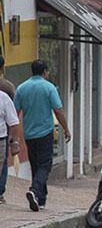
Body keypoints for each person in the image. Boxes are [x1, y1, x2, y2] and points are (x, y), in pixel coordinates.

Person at [14, 60, 71, 212]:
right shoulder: (49, 87)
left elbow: (16, 112)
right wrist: (66, 128)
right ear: (45, 71)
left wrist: (14, 135)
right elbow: (58, 110)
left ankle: (40, 198)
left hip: (29, 133)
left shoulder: (21, 88)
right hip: (45, 133)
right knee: (45, 165)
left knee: (35, 165)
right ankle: (34, 190)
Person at [0, 55, 18, 204]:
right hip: (2, 133)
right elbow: (13, 118)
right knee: (3, 163)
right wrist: (14, 140)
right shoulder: (7, 88)